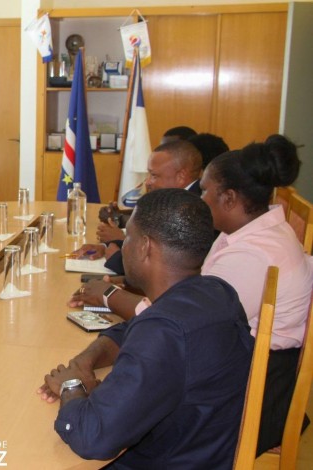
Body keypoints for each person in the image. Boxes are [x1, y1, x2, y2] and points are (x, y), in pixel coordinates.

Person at [38, 189, 253, 468]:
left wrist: (70, 386)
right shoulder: (216, 291)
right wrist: (85, 361)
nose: (124, 246)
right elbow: (133, 329)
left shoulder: (164, 331)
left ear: (144, 247)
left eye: (127, 237)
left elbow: (92, 437)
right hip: (206, 451)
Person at [200, 134, 313, 454]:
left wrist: (114, 298)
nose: (200, 197)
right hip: (252, 374)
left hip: (253, 398)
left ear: (230, 198)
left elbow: (196, 326)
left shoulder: (252, 255)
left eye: (205, 190)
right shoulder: (256, 231)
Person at [81, 140, 204, 273]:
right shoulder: (173, 198)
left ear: (181, 176)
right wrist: (106, 248)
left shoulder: (195, 209)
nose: (148, 182)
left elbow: (166, 270)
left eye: (154, 175)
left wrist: (118, 252)